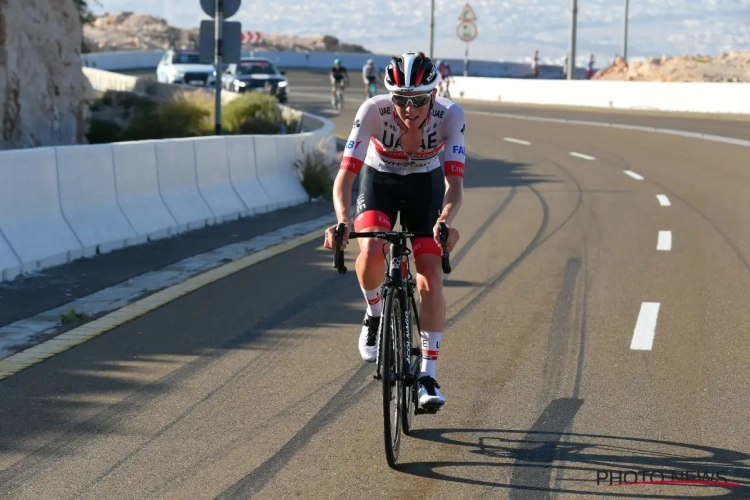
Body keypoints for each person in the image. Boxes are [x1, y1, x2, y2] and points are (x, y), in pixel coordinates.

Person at [323, 51, 465, 410]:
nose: (409, 108)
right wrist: (341, 220)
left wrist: (444, 221)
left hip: (424, 183)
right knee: (371, 250)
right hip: (380, 179)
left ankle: (428, 374)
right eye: (401, 99)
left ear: (433, 94)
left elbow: (454, 184)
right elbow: (345, 177)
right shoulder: (373, 110)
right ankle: (374, 314)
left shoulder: (450, 116)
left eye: (418, 99)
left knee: (430, 275)